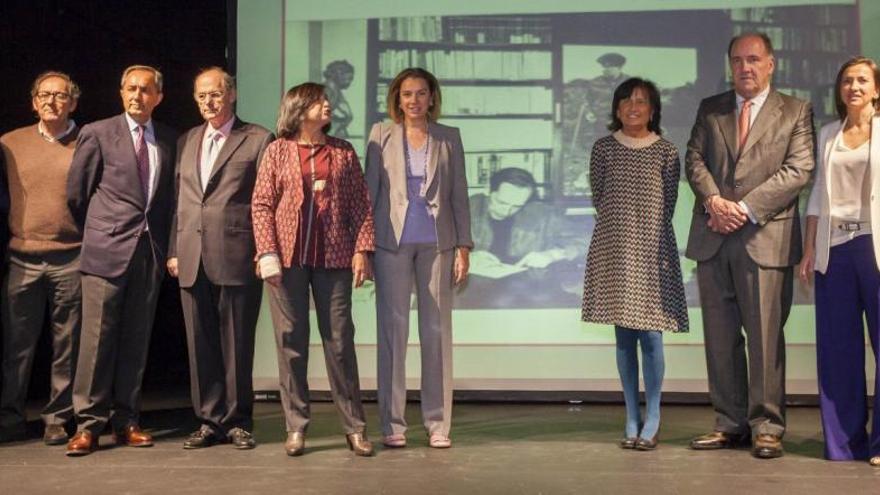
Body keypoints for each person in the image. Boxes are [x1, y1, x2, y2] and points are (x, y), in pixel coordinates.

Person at [684, 32, 814, 459]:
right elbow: (694, 159)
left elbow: (799, 170)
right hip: (714, 239)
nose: (745, 67)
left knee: (764, 340)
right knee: (720, 340)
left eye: (754, 59)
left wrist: (744, 208)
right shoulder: (711, 108)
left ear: (771, 63)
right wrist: (714, 201)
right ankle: (729, 423)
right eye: (737, 60)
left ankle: (767, 427)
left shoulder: (795, 110)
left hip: (765, 238)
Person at [252, 82, 375, 457]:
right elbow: (261, 205)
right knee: (291, 343)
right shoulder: (276, 151)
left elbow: (361, 206)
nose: (327, 106)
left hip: (334, 259)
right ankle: (296, 427)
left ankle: (354, 428)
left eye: (326, 101)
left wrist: (362, 250)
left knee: (340, 341)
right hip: (286, 262)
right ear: (299, 108)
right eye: (319, 101)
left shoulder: (343, 152)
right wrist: (268, 253)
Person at [65, 65, 177, 456]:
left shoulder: (167, 138)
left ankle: (126, 420)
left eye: (145, 90)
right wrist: (101, 231)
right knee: (96, 342)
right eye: (130, 88)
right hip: (105, 251)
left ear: (158, 97)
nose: (137, 96)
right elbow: (77, 195)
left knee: (135, 341)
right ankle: (88, 425)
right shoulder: (97, 133)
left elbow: (165, 202)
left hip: (148, 254)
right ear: (120, 92)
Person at [365, 67, 472, 449]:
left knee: (436, 332)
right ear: (397, 98)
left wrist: (464, 246)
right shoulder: (380, 134)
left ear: (432, 97)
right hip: (391, 242)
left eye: (421, 93)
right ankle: (393, 424)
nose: (414, 100)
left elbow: (459, 193)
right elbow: (370, 194)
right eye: (407, 94)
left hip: (438, 242)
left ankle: (438, 423)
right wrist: (364, 246)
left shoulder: (449, 137)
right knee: (393, 332)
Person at [167, 67, 273, 450]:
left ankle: (239, 421)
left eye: (215, 94)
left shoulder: (259, 138)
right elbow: (178, 202)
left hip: (238, 254)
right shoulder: (186, 140)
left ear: (232, 95)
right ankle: (209, 421)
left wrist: (265, 251)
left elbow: (266, 203)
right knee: (201, 345)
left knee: (237, 344)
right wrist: (174, 250)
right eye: (201, 97)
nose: (208, 102)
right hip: (191, 255)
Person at [582, 77, 688, 451]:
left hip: (653, 249)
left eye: (641, 101)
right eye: (626, 101)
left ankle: (654, 415)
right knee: (624, 337)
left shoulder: (667, 152)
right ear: (616, 108)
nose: (633, 107)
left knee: (652, 335)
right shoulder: (603, 149)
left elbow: (669, 204)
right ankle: (631, 415)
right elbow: (600, 197)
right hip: (614, 249)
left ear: (653, 109)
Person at [797, 56, 880, 467]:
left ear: (876, 89)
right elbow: (817, 196)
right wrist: (810, 247)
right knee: (838, 351)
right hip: (836, 248)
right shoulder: (828, 133)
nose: (854, 87)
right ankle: (845, 445)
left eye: (863, 80)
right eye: (847, 80)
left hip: (875, 248)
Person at [0, 71, 83, 446]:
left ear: (73, 103)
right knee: (17, 343)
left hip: (72, 257)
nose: (51, 101)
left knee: (67, 344)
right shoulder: (9, 143)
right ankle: (10, 415)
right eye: (44, 95)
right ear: (33, 101)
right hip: (22, 257)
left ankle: (57, 418)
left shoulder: (88, 142)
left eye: (60, 95)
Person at [465, 167, 581, 308]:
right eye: (501, 202)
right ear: (488, 189)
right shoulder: (465, 208)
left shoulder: (542, 214)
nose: (507, 211)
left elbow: (589, 238)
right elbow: (435, 247)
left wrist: (554, 254)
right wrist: (465, 256)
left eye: (517, 206)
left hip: (531, 290)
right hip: (475, 290)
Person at [322, 60, 355, 138]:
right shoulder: (327, 89)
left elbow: (348, 114)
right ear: (339, 74)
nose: (349, 82)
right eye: (348, 78)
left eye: (351, 79)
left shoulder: (336, 90)